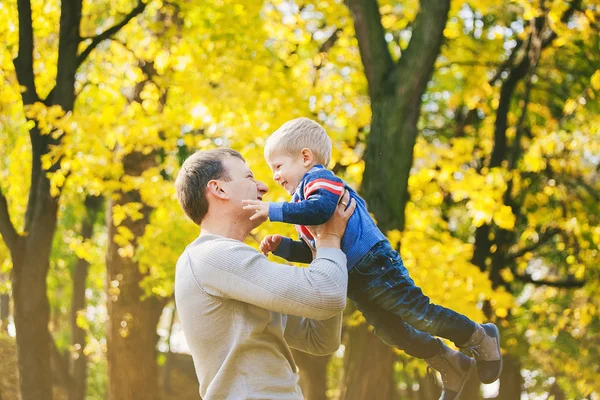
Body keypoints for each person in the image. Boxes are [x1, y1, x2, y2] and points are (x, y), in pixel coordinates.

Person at [243, 118, 503, 400]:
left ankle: (478, 336)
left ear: (305, 157)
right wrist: (285, 248)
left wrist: (272, 210)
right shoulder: (301, 203)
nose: (276, 177)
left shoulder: (319, 180)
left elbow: (321, 210)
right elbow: (318, 251)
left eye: (278, 167)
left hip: (374, 264)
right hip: (355, 280)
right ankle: (449, 361)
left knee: (417, 311)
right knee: (391, 332)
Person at [174, 148, 356, 399]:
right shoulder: (214, 256)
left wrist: (319, 246)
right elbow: (326, 296)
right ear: (219, 189)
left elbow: (318, 340)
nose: (263, 187)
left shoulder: (229, 263)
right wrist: (329, 238)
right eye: (249, 177)